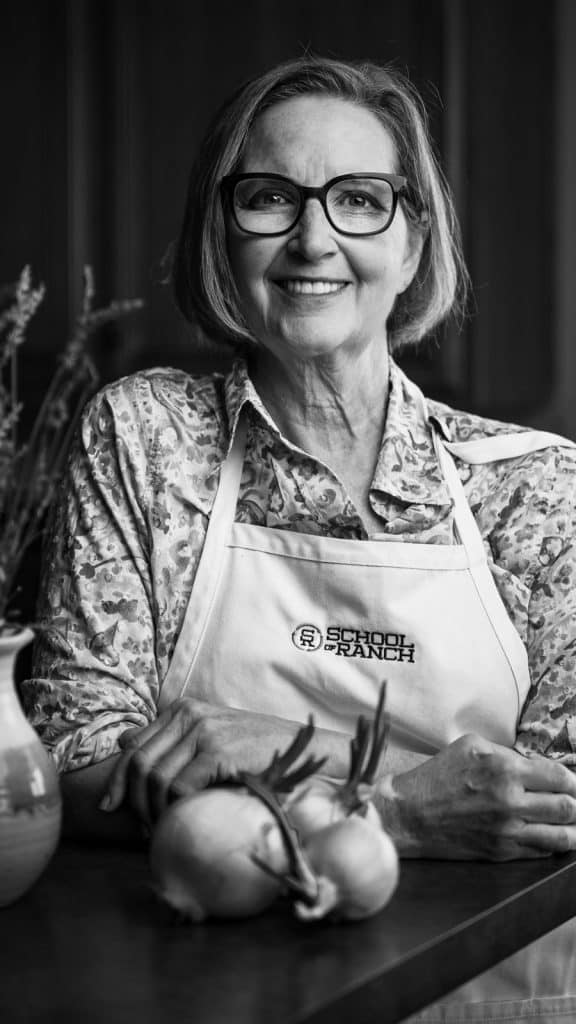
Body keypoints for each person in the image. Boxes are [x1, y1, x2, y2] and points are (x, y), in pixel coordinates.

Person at [23, 55, 576, 1021]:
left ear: (412, 242)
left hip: (493, 994)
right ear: (223, 234)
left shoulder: (539, 486)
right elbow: (75, 763)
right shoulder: (145, 437)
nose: (313, 239)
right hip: (211, 990)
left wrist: (274, 747)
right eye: (271, 198)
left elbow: (551, 807)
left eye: (359, 200)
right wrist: (399, 808)